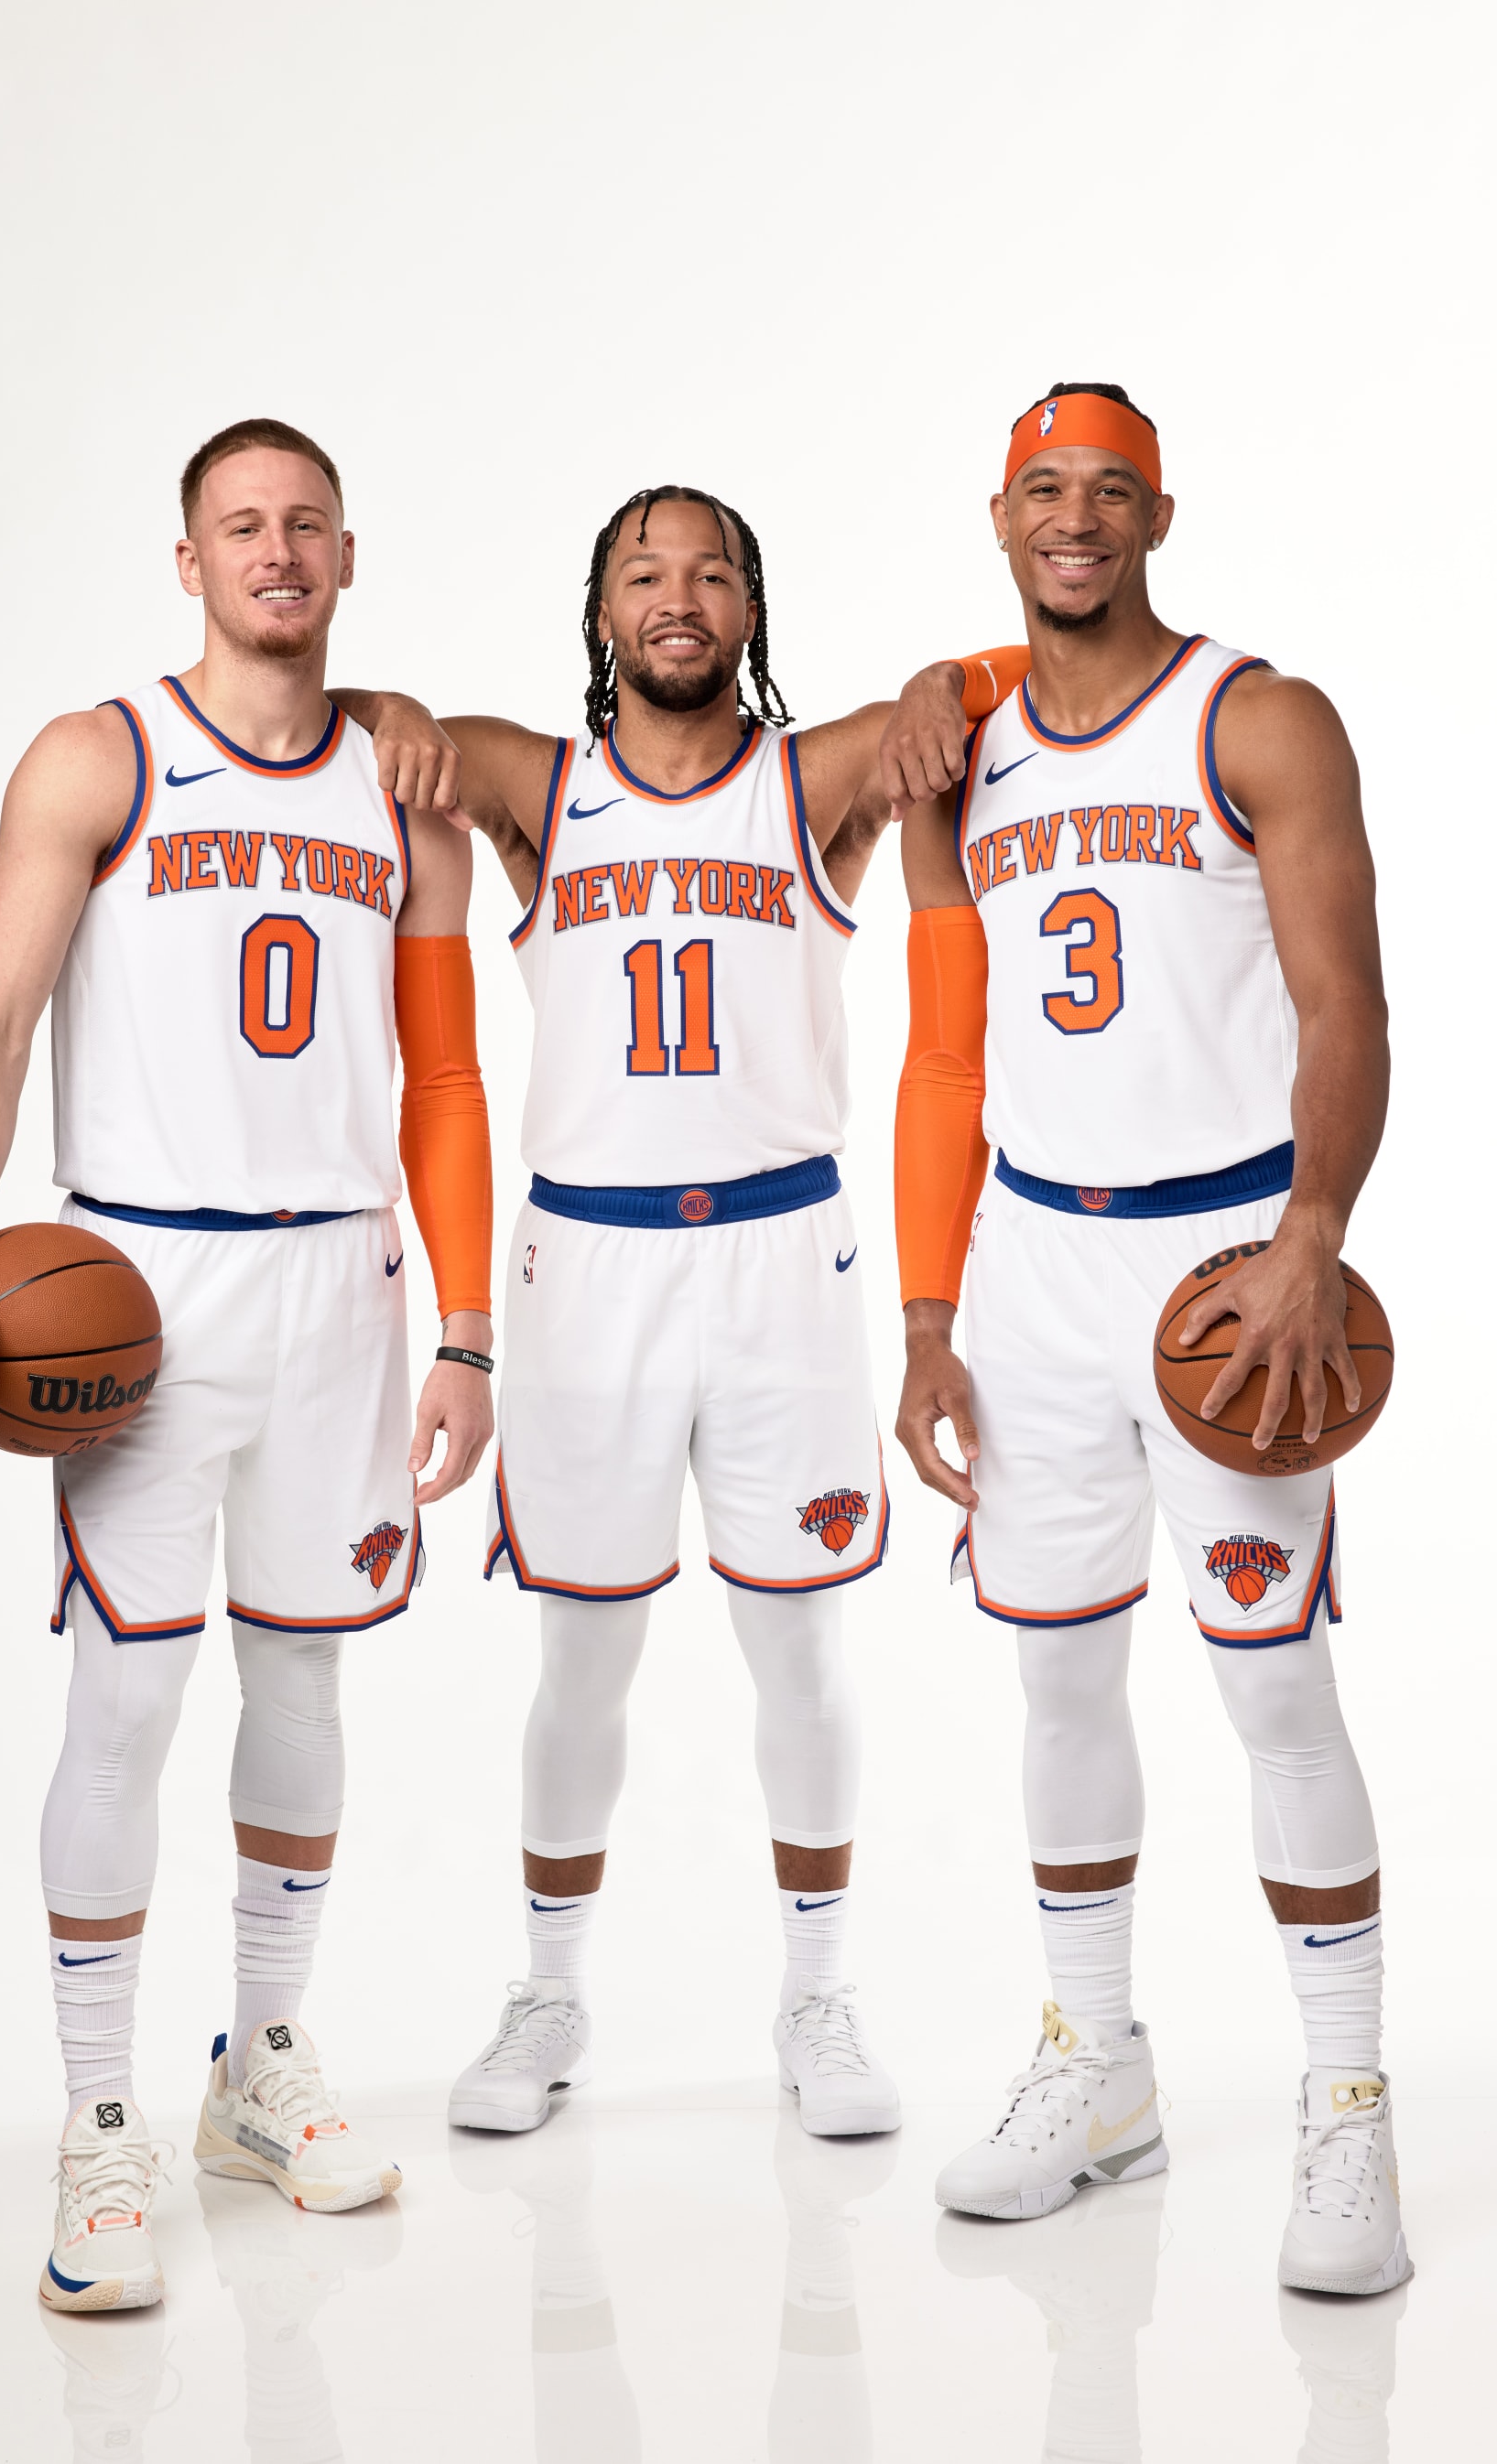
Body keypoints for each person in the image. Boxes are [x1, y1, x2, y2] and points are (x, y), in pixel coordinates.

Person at [0, 418, 496, 2311]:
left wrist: (467, 1325)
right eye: (243, 526)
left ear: (347, 553)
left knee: (304, 1693)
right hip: (141, 1293)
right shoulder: (101, 754)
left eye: (308, 523)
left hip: (340, 1287)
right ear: (189, 563)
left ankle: (261, 2067)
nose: (278, 551)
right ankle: (99, 2124)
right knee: (132, 1709)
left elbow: (451, 1075)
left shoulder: (404, 789)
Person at [338, 487, 1021, 2136]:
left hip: (783, 1260)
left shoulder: (811, 781)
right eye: (645, 572)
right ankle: (552, 1987)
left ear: (751, 616)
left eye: (714, 572)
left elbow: (977, 693)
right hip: (585, 1272)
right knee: (584, 1658)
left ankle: (820, 1996)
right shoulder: (532, 782)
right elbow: (360, 718)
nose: (680, 595)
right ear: (601, 616)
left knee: (803, 1648)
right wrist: (398, 710)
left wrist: (948, 666)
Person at [889, 384, 1405, 2293]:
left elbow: (1346, 1004)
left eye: (1109, 490)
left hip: (1224, 1271)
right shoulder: (956, 754)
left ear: (1159, 513)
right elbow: (947, 1053)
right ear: (1002, 517)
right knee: (1058, 1683)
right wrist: (931, 1316)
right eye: (1044, 492)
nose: (1076, 518)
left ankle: (1348, 2112)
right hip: (1030, 1264)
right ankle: (1098, 2063)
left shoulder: (1258, 716)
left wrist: (1313, 1236)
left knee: (1272, 1688)